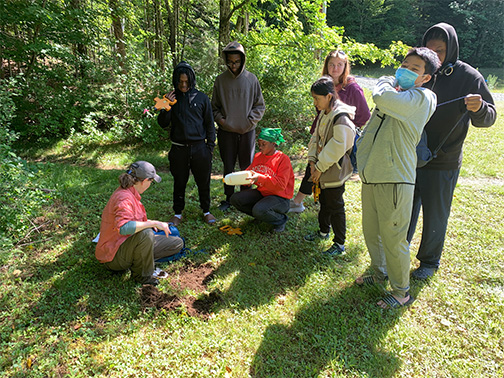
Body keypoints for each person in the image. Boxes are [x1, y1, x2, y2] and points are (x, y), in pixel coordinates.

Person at [407, 23, 497, 280]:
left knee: (436, 214)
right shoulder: (420, 70)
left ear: (452, 50)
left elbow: (489, 117)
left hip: (443, 159)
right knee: (405, 208)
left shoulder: (469, 77)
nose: (434, 55)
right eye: (430, 49)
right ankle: (400, 249)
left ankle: (429, 262)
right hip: (410, 154)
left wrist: (478, 108)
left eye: (441, 50)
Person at [356, 48, 440, 308]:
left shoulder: (422, 97)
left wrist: (383, 81)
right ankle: (378, 272)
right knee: (372, 232)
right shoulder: (400, 94)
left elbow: (382, 97)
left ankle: (401, 292)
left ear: (425, 78)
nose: (405, 70)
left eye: (414, 69)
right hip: (372, 174)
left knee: (393, 239)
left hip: (394, 178)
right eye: (404, 64)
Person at [290, 50, 370, 213]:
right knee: (312, 167)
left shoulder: (352, 88)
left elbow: (364, 115)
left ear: (345, 66)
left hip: (337, 139)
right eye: (331, 64)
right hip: (320, 134)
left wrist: (347, 128)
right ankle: (304, 202)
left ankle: (330, 208)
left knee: (333, 173)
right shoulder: (323, 84)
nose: (335, 68)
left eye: (339, 65)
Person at [95, 161, 184, 286]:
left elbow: (133, 221)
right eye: (151, 182)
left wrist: (155, 223)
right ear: (144, 181)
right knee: (146, 234)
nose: (150, 185)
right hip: (113, 256)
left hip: (127, 243)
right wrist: (152, 224)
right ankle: (143, 276)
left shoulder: (130, 192)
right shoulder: (124, 198)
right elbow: (123, 228)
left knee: (176, 242)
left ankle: (139, 261)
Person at [157, 61, 217, 226]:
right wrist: (166, 106)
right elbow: (162, 123)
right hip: (179, 149)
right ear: (175, 80)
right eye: (180, 81)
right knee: (179, 182)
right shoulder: (169, 99)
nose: (183, 84)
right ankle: (177, 213)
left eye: (186, 81)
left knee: (203, 181)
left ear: (192, 79)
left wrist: (210, 148)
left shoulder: (202, 98)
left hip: (200, 148)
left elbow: (209, 125)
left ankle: (206, 211)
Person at [302, 76, 356, 256]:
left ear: (329, 96)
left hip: (334, 172)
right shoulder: (324, 113)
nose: (315, 102)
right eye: (314, 99)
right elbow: (315, 138)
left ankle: (339, 244)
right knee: (324, 202)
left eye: (317, 98)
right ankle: (323, 232)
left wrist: (319, 167)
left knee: (335, 206)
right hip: (320, 169)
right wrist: (311, 161)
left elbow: (338, 145)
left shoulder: (340, 116)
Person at [212, 41, 266, 212]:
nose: (233, 65)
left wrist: (250, 121)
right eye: (230, 62)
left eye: (236, 62)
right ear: (226, 61)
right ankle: (228, 199)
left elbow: (260, 106)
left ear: (242, 61)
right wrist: (222, 121)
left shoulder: (251, 79)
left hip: (247, 132)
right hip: (226, 132)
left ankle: (244, 199)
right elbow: (214, 107)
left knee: (246, 167)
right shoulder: (220, 80)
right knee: (228, 167)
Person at [229, 128, 294, 232]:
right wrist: (236, 177)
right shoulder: (258, 156)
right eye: (259, 143)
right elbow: (249, 172)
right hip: (262, 193)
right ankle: (261, 216)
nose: (260, 147)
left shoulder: (282, 158)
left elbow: (281, 185)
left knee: (259, 210)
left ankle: (280, 220)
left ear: (273, 144)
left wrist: (260, 178)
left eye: (264, 144)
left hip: (280, 198)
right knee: (236, 199)